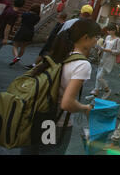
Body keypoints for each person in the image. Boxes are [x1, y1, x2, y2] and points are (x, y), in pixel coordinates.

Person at [20, 18, 101, 155]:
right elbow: (67, 103)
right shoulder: (82, 64)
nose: (96, 41)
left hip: (34, 115)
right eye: (96, 37)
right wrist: (85, 108)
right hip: (54, 123)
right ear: (85, 37)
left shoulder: (60, 53)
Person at [89, 23, 120, 99]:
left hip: (110, 60)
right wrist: (100, 48)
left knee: (99, 77)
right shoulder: (107, 37)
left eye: (109, 30)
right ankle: (95, 93)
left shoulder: (118, 40)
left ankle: (107, 90)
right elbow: (104, 45)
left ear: (114, 31)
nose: (108, 32)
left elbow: (118, 51)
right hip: (103, 58)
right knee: (98, 74)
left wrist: (108, 50)